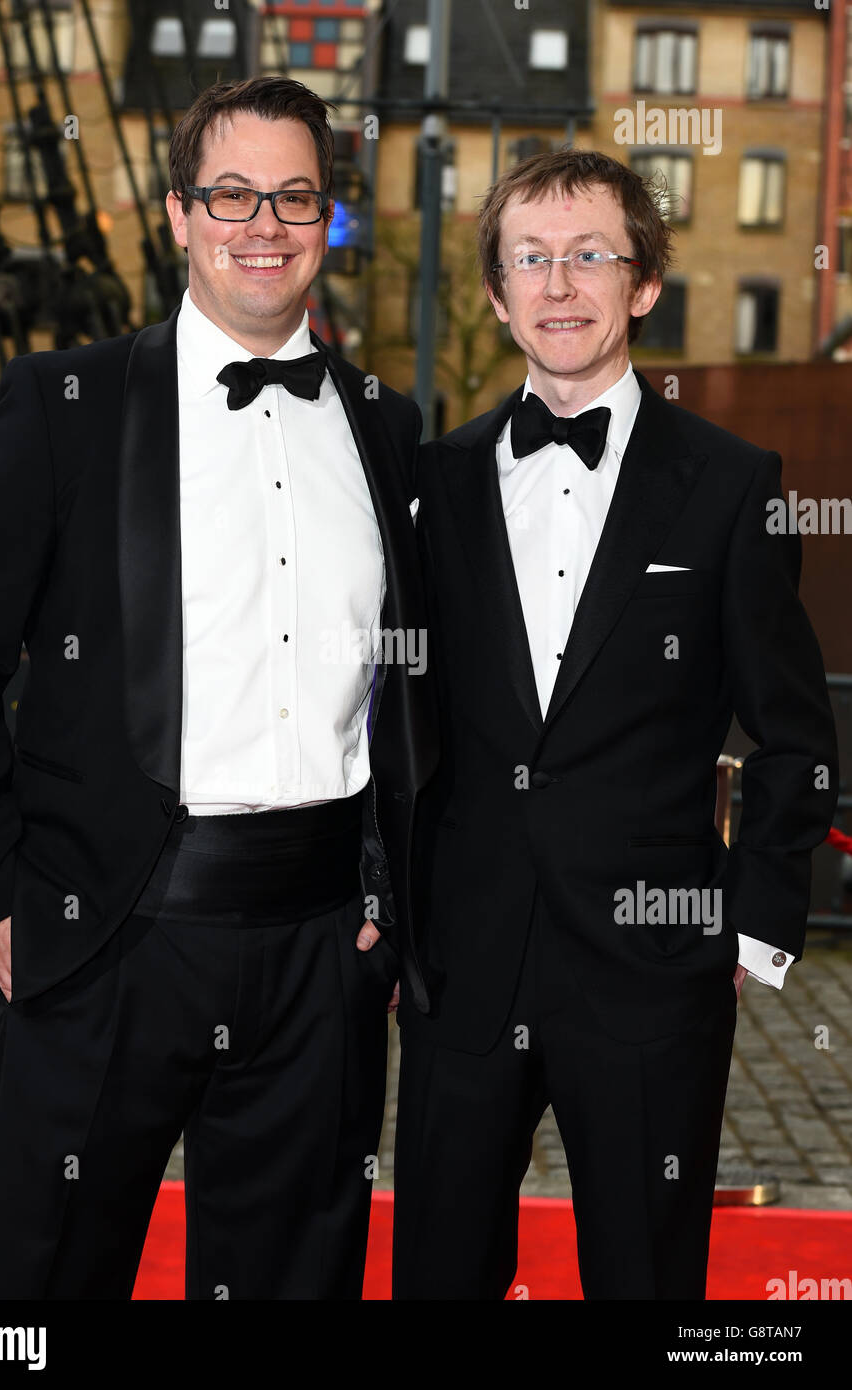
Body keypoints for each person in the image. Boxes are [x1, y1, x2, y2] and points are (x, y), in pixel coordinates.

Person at [0, 75, 436, 1300]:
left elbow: (417, 690)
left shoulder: (387, 425)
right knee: (39, 1292)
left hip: (319, 953)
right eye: (232, 193)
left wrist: (387, 908)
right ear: (180, 214)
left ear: (327, 219)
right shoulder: (63, 405)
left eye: (294, 196)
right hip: (100, 940)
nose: (265, 223)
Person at [389, 149, 838, 1300]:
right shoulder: (435, 481)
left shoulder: (733, 482)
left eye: (592, 254)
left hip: (653, 967)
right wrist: (389, 907)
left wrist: (751, 928)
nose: (560, 283)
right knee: (440, 1268)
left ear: (643, 283)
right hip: (464, 961)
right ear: (497, 293)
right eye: (531, 258)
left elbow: (794, 729)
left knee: (644, 1276)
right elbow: (400, 713)